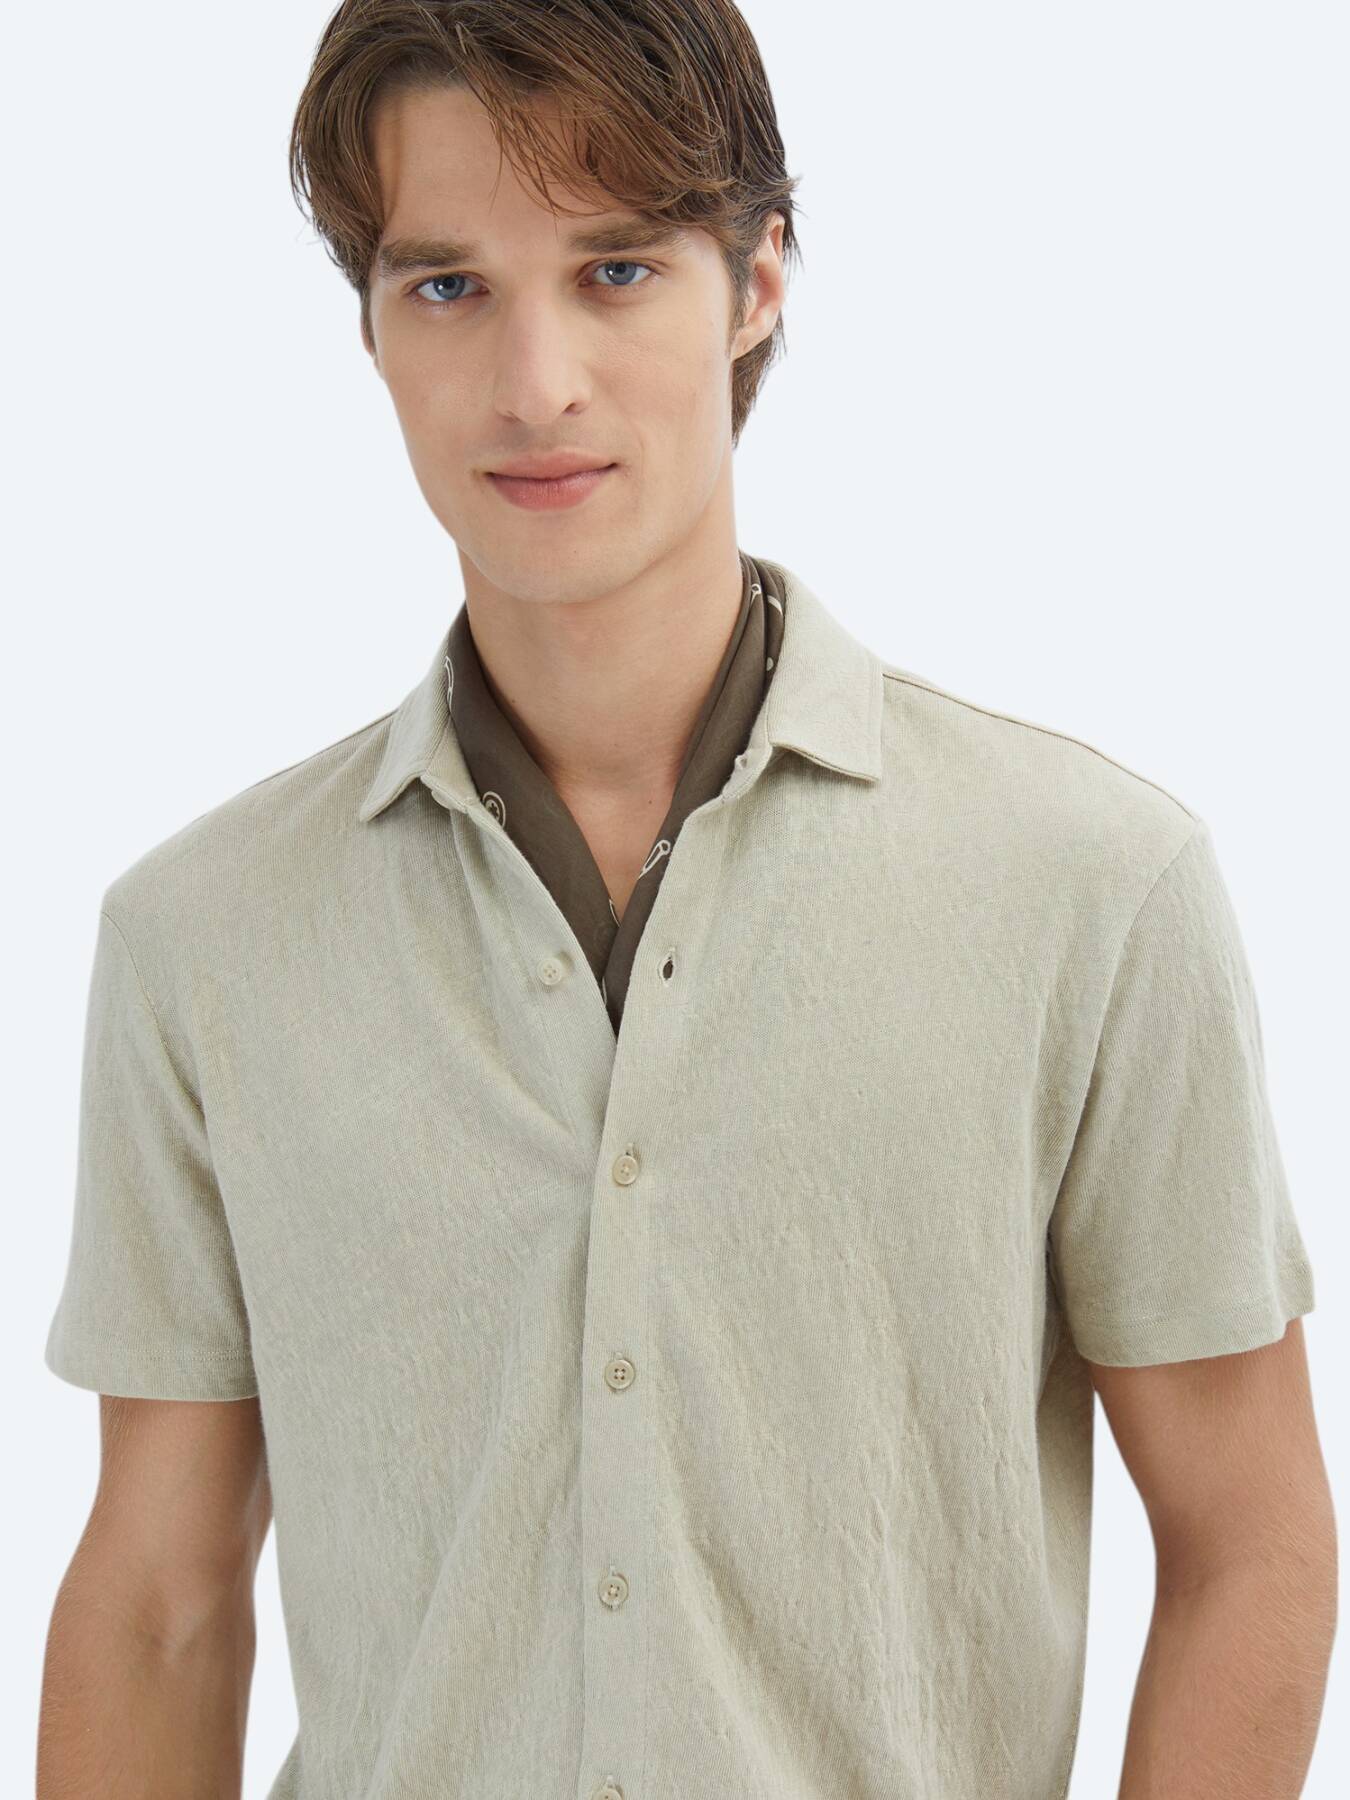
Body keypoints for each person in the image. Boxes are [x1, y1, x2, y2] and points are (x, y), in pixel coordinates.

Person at [37, 3, 1336, 1797]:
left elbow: (1251, 1542)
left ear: (756, 282)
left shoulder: (1089, 887)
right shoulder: (202, 940)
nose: (535, 382)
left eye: (617, 270)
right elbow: (161, 1604)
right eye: (447, 286)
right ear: (370, 325)